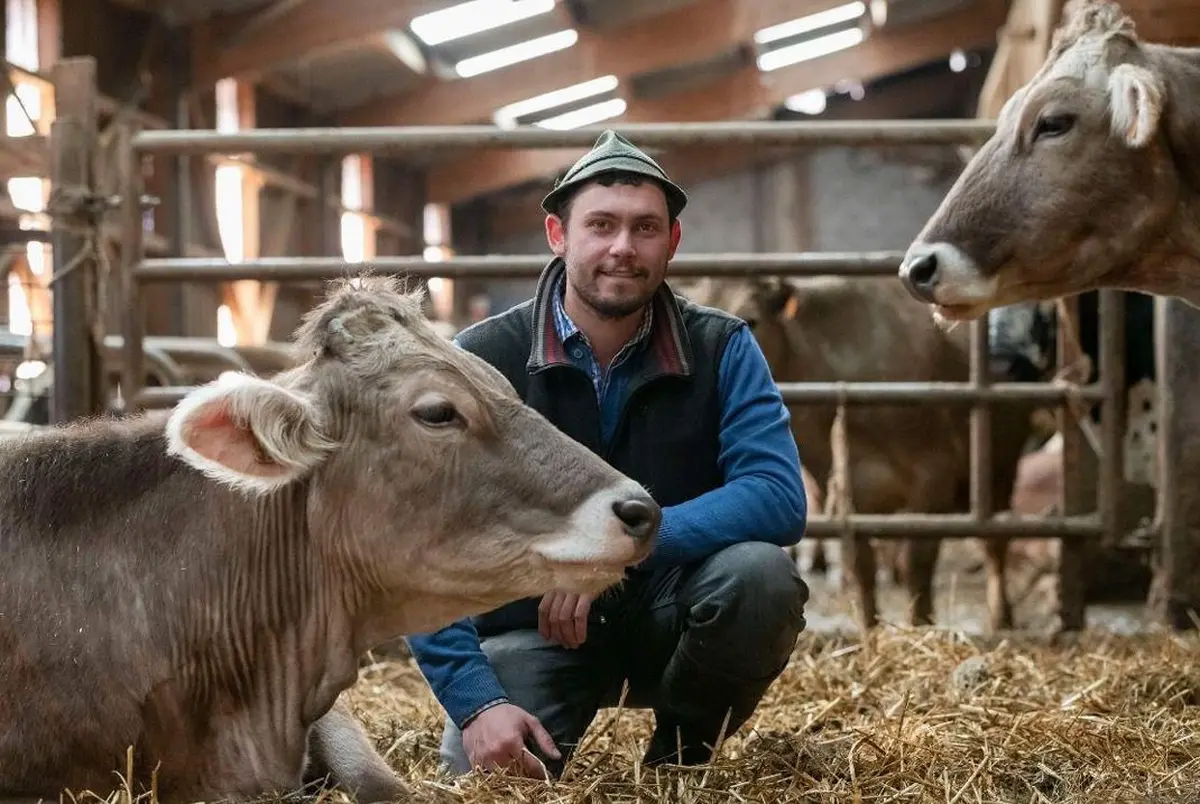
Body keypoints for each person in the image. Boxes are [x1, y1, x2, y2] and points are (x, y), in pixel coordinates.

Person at [406, 130, 810, 779]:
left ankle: (680, 765)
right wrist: (477, 703)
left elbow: (778, 495)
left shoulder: (722, 346)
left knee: (760, 580)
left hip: (670, 615)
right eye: (601, 225)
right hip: (535, 627)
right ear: (557, 235)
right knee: (493, 782)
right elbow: (423, 545)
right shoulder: (482, 361)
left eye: (645, 228)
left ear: (672, 244)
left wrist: (612, 552)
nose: (622, 248)